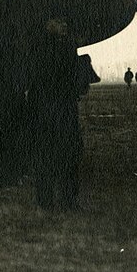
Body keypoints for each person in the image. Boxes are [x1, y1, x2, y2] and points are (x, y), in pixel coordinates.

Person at [29, 17, 83, 211]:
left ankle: (58, 200)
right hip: (56, 109)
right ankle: (55, 201)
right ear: (48, 25)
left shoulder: (41, 48)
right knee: (57, 155)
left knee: (62, 155)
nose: (64, 25)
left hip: (53, 109)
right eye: (59, 22)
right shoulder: (54, 48)